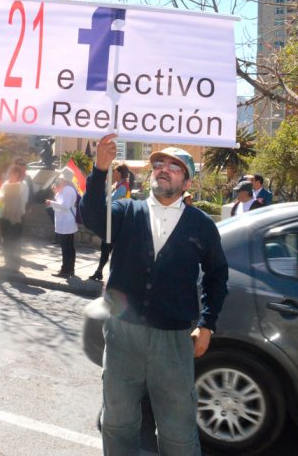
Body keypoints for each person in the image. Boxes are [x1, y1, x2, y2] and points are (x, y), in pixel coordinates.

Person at [83, 134, 228, 456]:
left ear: (187, 180)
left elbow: (218, 276)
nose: (163, 169)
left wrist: (207, 324)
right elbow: (91, 218)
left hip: (173, 342)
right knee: (118, 422)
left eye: (174, 166)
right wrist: (99, 170)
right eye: (158, 164)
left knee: (178, 431)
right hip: (123, 337)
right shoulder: (126, 211)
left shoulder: (201, 226)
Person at [90, 163, 130, 281]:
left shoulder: (123, 187)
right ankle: (100, 271)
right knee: (105, 247)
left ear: (119, 173)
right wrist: (108, 182)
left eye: (115, 172)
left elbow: (109, 200)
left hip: (118, 222)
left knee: (111, 248)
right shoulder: (117, 185)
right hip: (112, 220)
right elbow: (105, 196)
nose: (113, 173)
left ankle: (114, 275)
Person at [45, 168, 78, 279]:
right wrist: (56, 193)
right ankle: (70, 269)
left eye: (61, 177)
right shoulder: (68, 189)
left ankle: (65, 270)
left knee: (66, 248)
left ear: (64, 178)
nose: (59, 179)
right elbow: (63, 203)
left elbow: (64, 206)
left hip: (66, 222)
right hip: (67, 222)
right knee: (69, 247)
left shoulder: (67, 189)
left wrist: (51, 202)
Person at [0, 164, 29, 272]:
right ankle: (7, 262)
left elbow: (24, 199)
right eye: (9, 173)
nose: (10, 175)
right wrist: (3, 197)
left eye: (12, 173)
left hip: (17, 216)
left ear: (17, 174)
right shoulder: (6, 183)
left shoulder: (23, 184)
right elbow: (0, 194)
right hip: (5, 214)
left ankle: (15, 264)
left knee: (15, 240)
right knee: (6, 239)